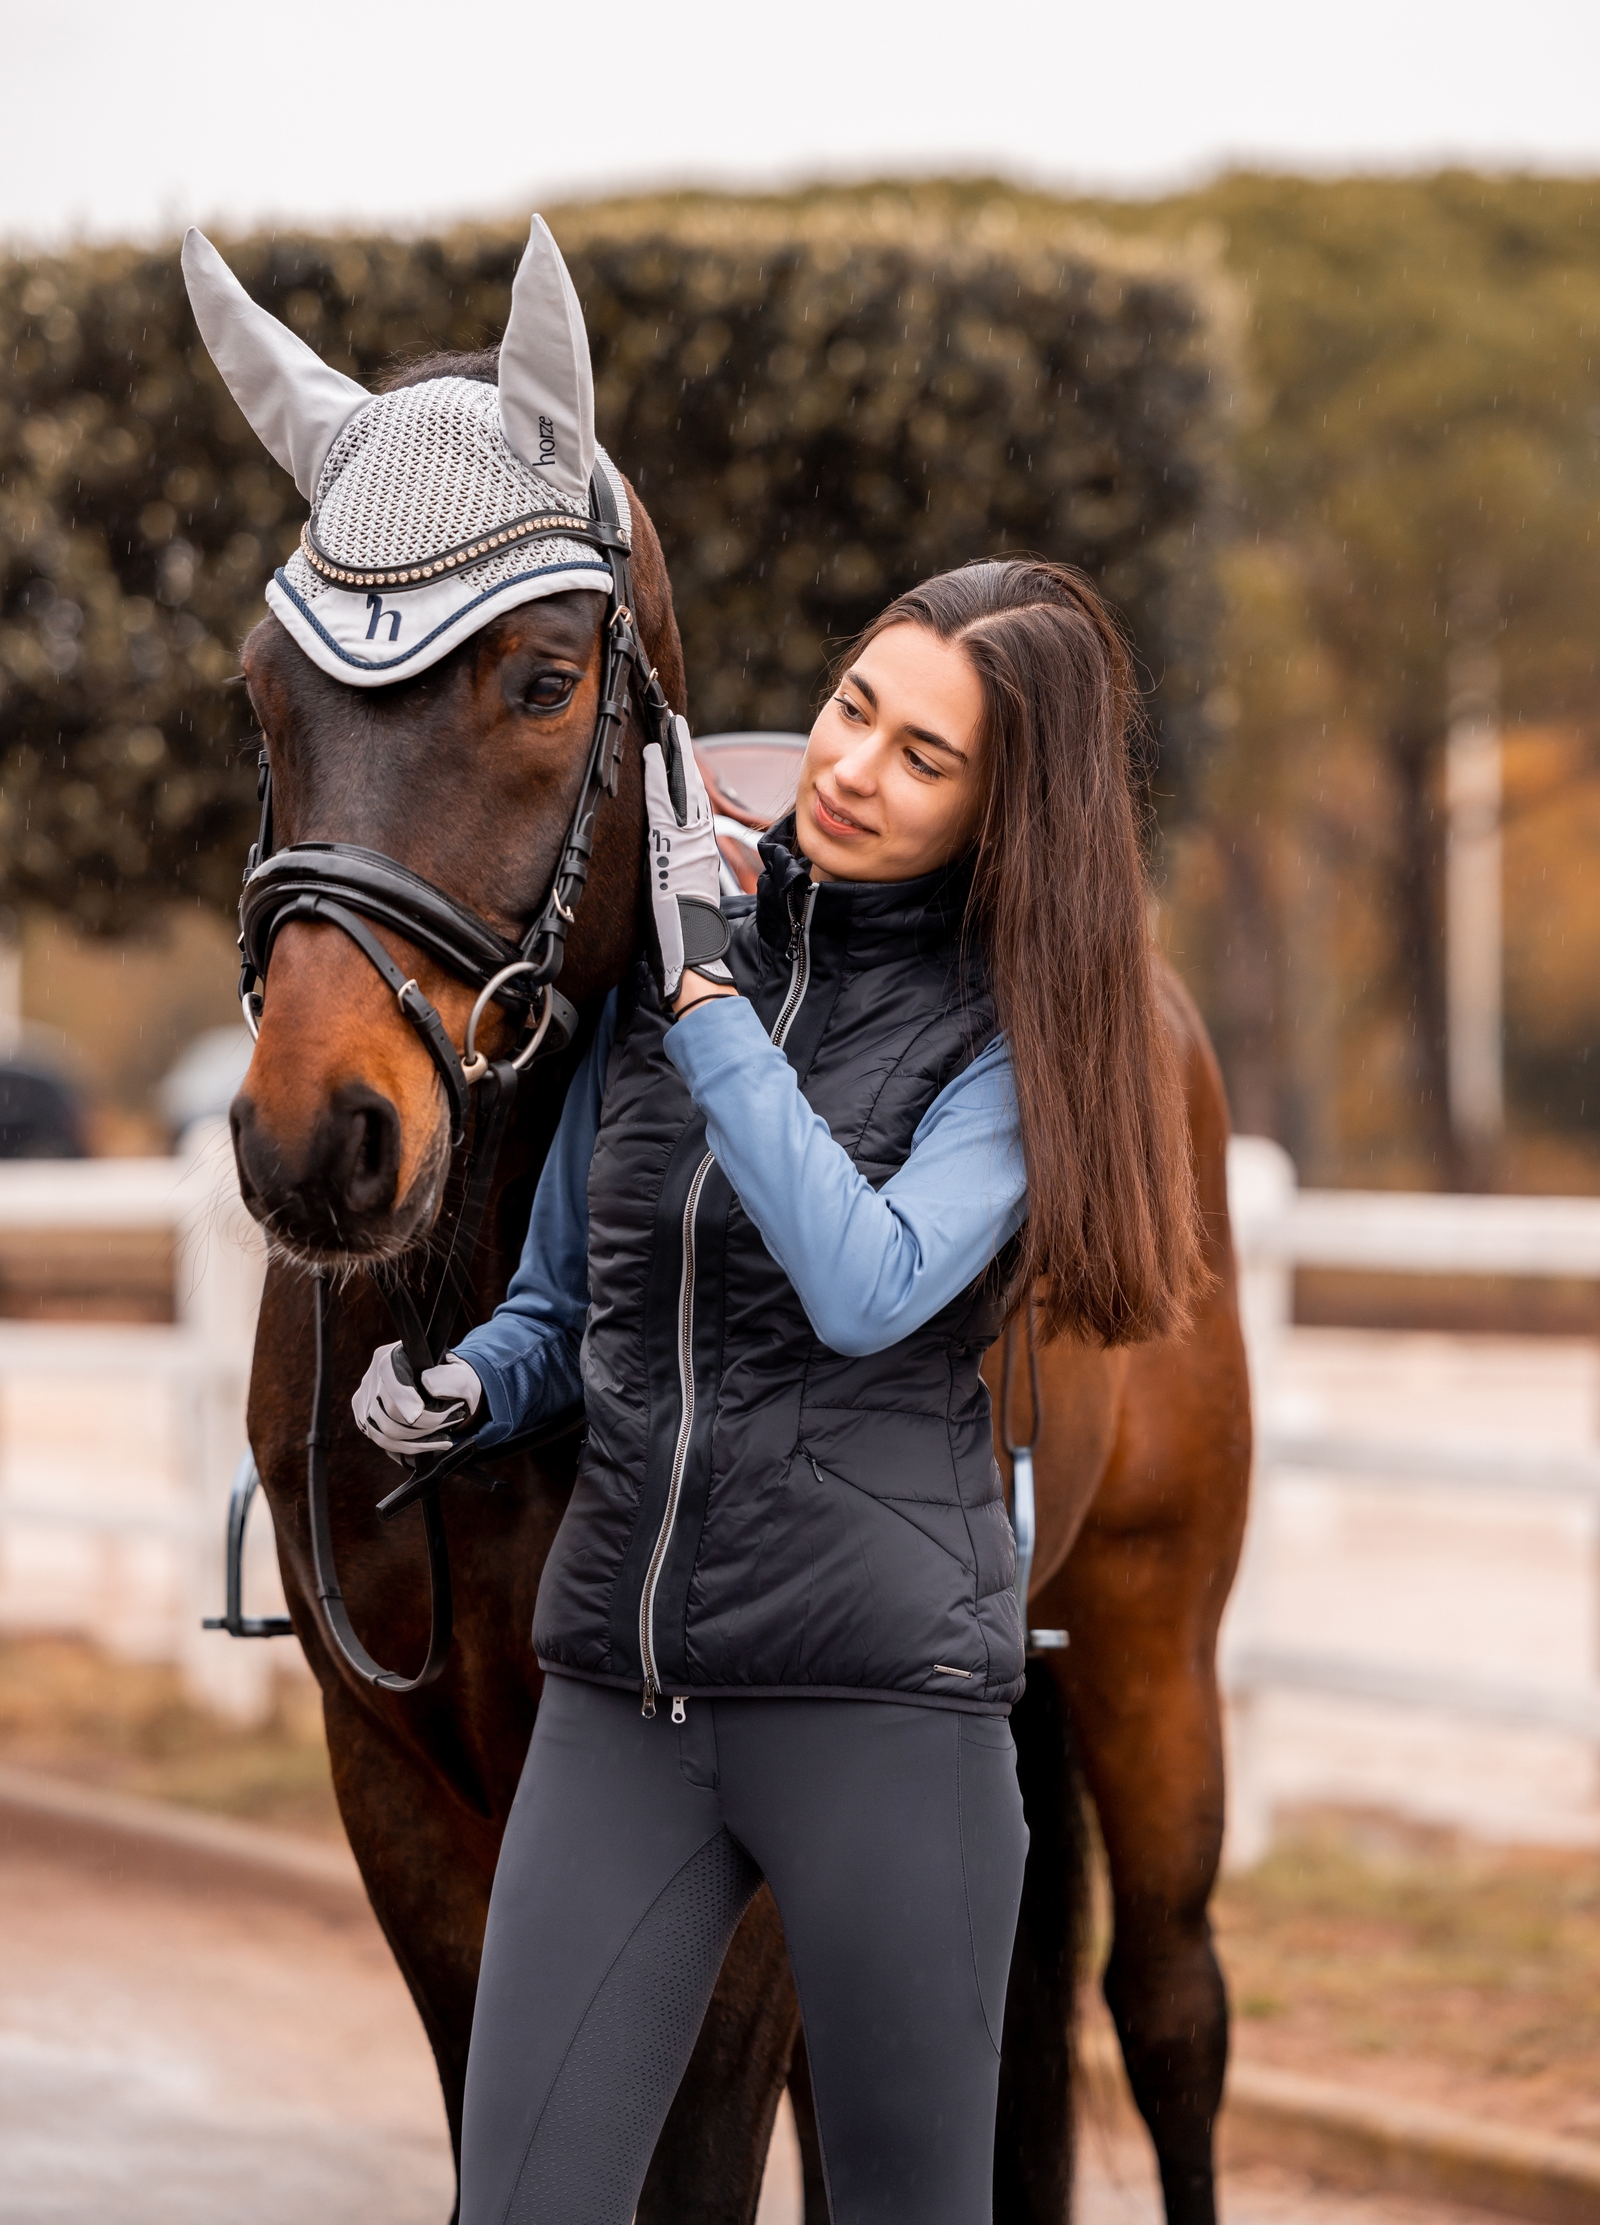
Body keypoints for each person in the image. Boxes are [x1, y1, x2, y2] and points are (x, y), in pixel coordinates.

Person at [354, 555, 1199, 2225]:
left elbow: (870, 1284)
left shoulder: (1016, 1041)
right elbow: (568, 1302)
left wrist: (708, 1010)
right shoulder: (676, 978)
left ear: (1005, 816)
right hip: (622, 1698)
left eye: (922, 757)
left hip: (884, 1719)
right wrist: (467, 1388)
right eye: (852, 707)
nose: (852, 766)